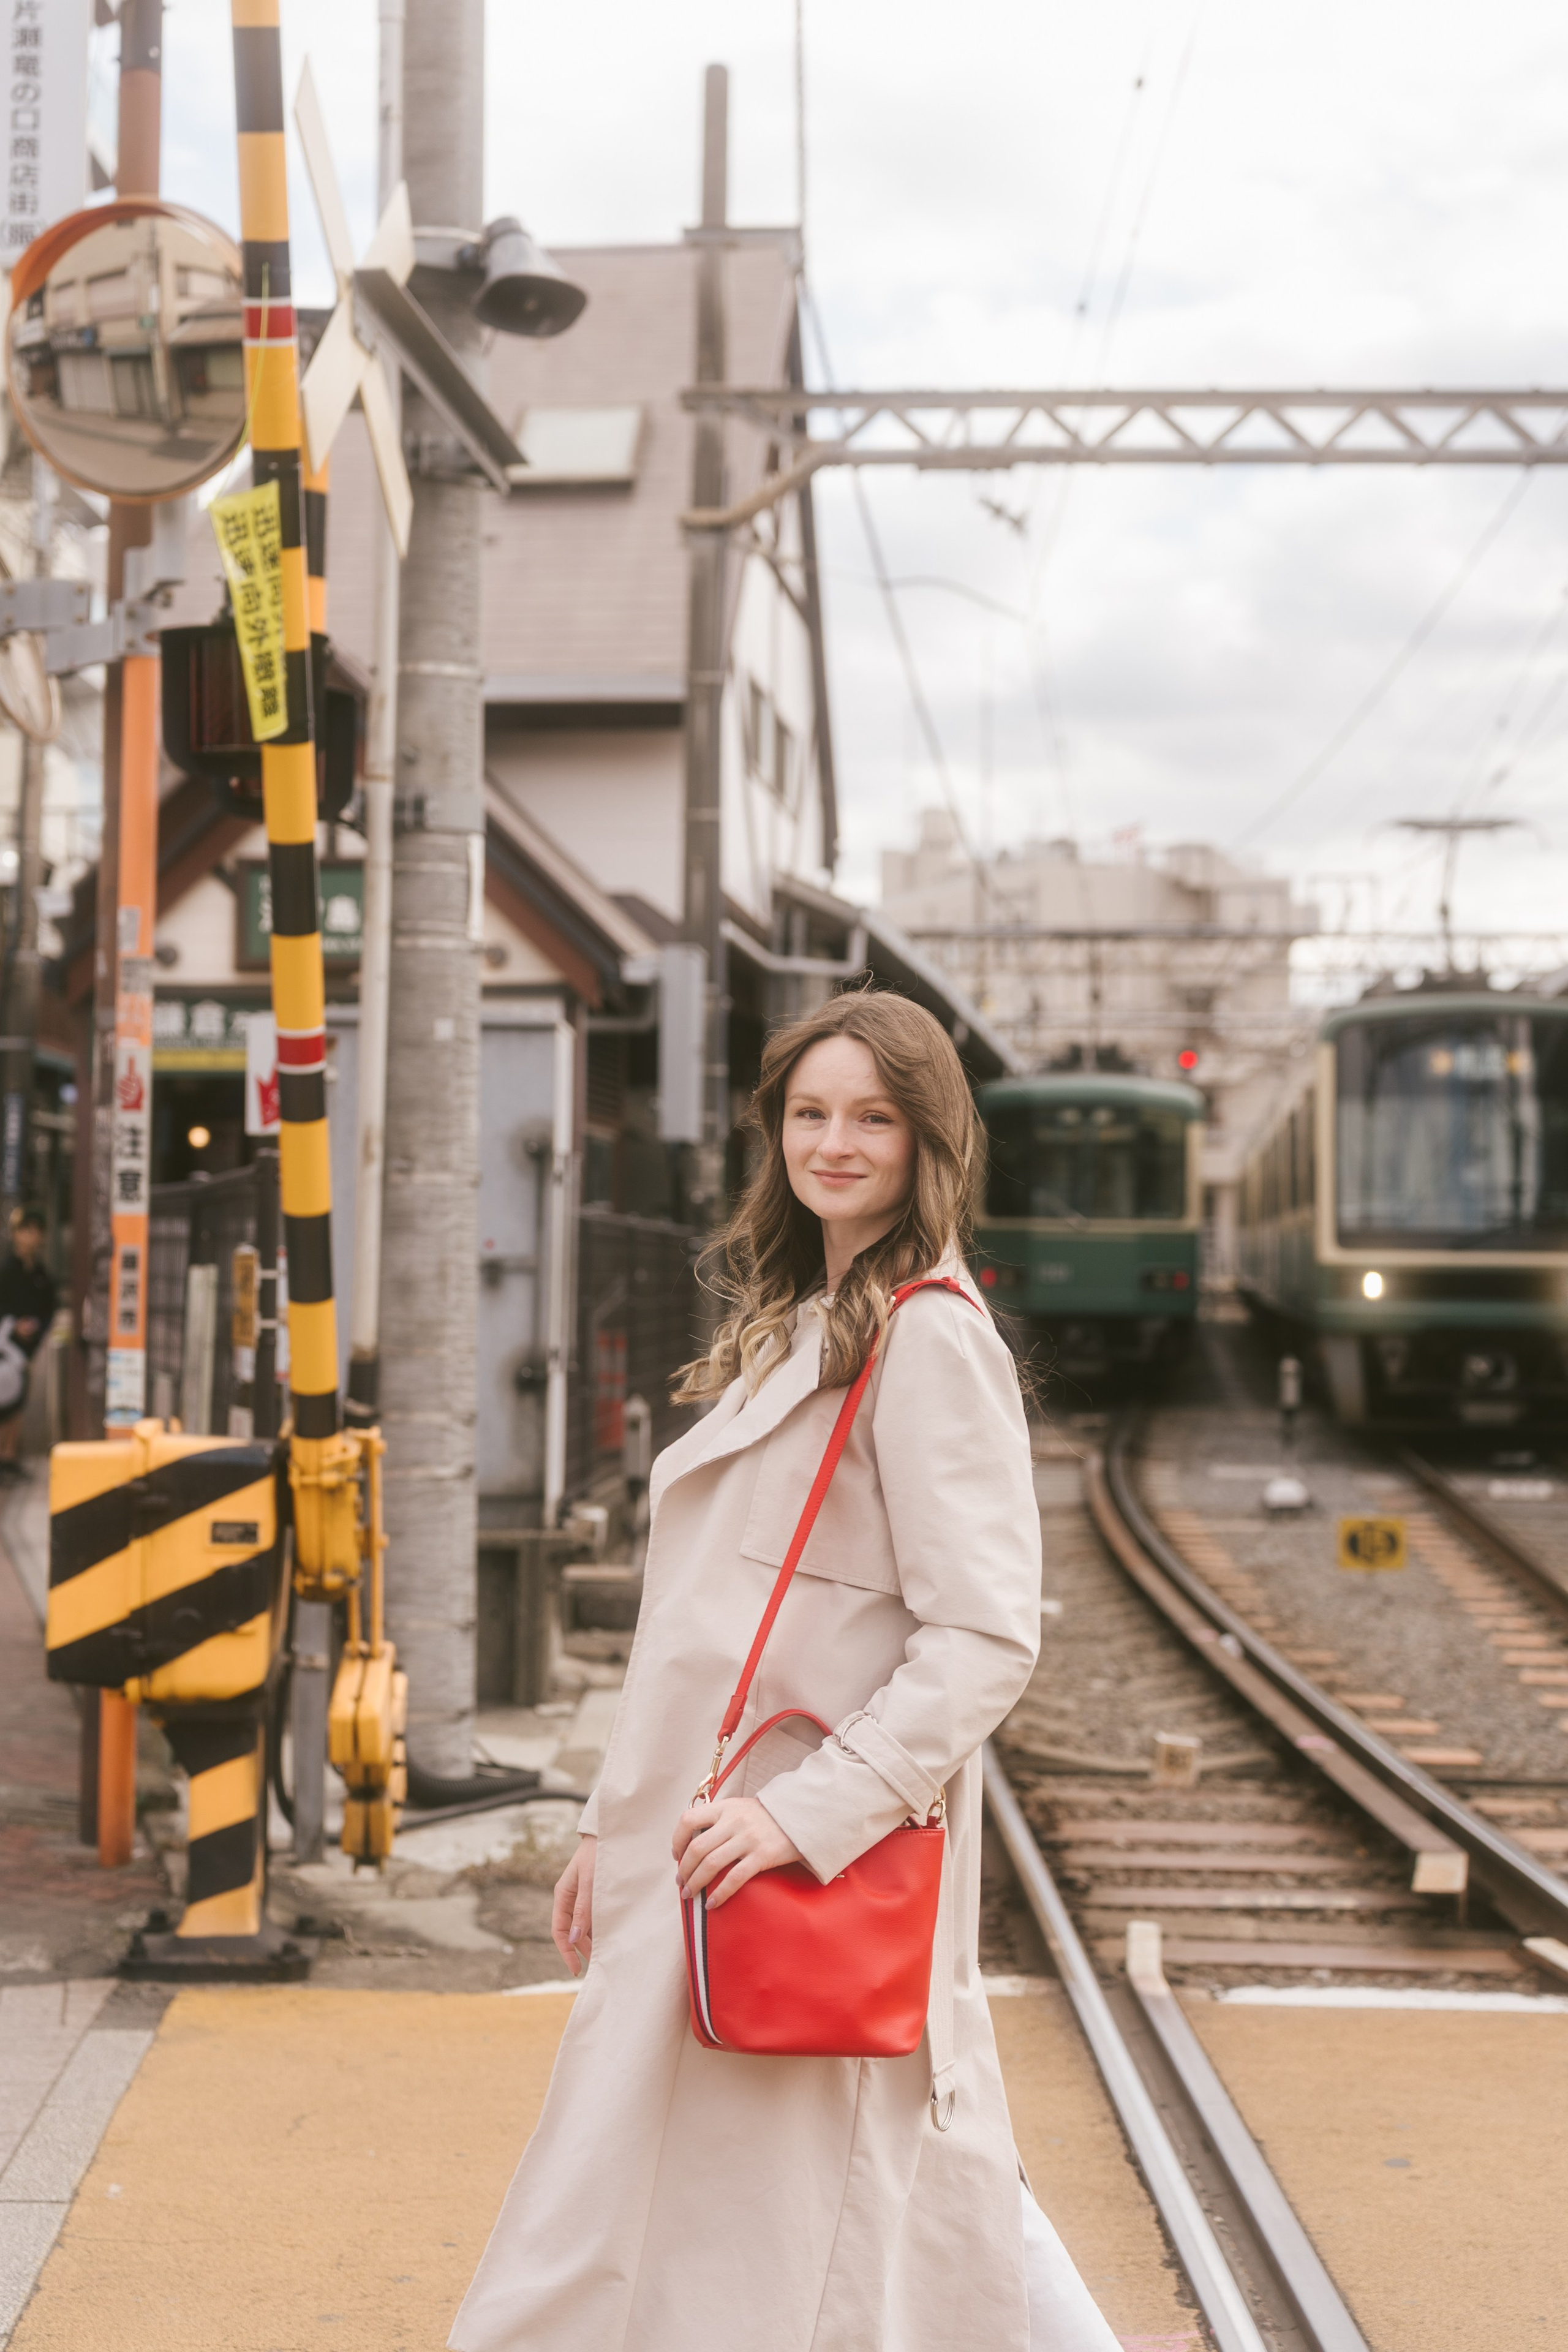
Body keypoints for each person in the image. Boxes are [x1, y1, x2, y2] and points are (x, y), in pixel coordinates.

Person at [450, 989, 1120, 2352]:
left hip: (788, 1852)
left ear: (928, 1138)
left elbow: (985, 1637)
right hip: (710, 1840)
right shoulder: (815, 1314)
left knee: (790, 2213)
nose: (834, 1144)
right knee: (774, 2200)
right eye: (809, 1114)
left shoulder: (928, 1335)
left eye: (873, 1117)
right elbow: (700, 1625)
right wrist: (608, 1822)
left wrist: (802, 1816)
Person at [0, 1207, 56, 1477]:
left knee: (18, 1400)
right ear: (15, 1234)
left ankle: (8, 1456)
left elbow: (48, 1309)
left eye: (36, 1231)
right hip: (4, 1345)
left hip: (26, 1350)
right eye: (26, 1230)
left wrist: (36, 1330)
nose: (31, 1236)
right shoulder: (6, 1270)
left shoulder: (41, 1274)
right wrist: (14, 1324)